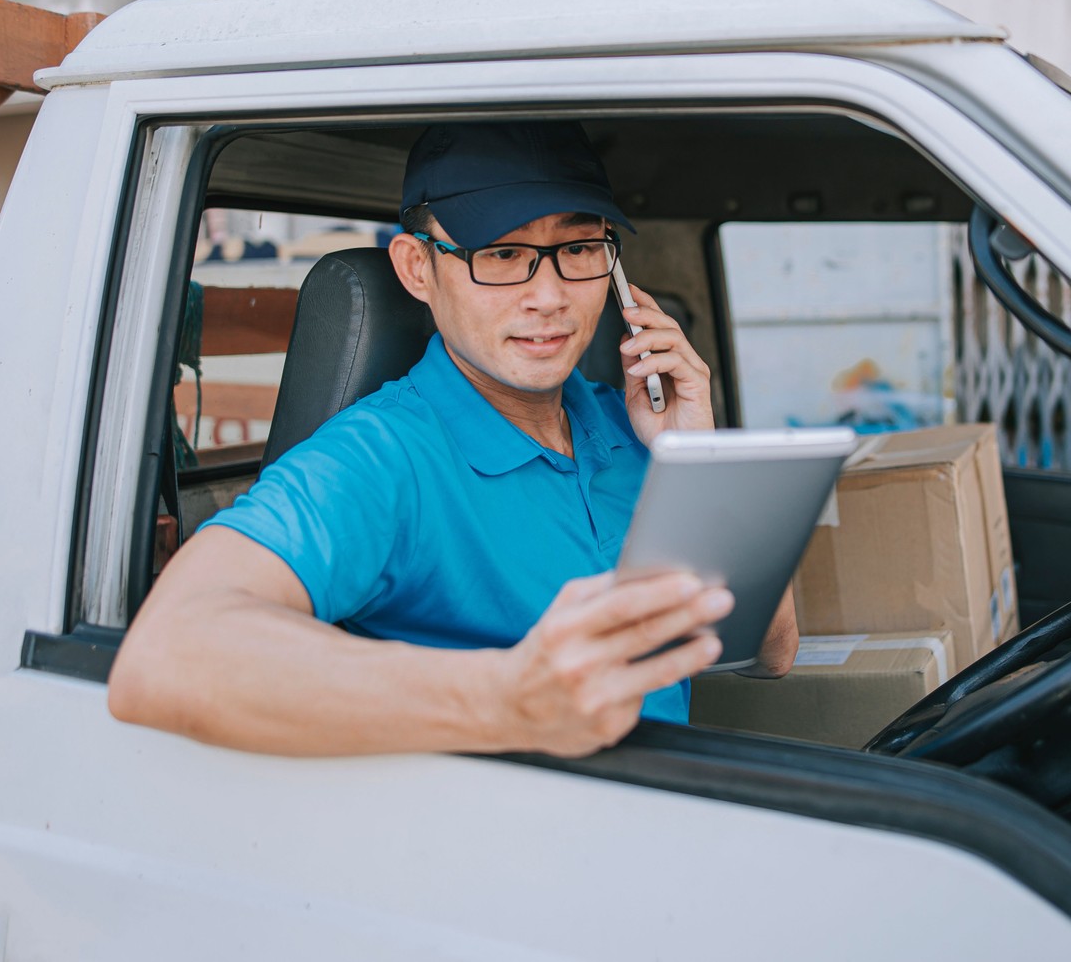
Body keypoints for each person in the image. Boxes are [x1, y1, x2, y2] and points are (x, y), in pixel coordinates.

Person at [109, 121, 798, 757]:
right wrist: (506, 697)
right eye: (502, 254)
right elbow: (164, 655)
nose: (550, 294)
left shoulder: (632, 425)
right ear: (416, 268)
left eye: (580, 248)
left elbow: (771, 651)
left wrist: (695, 454)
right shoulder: (382, 457)